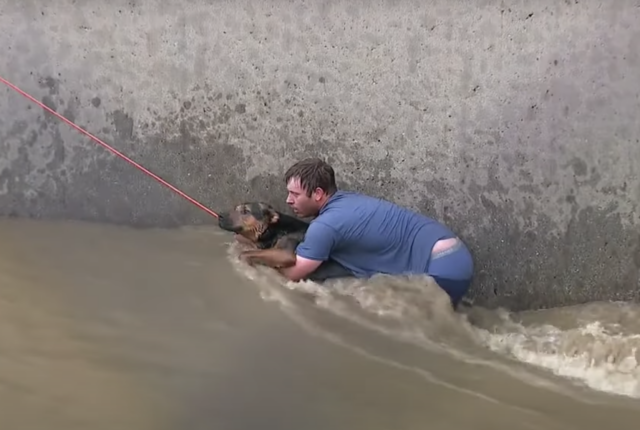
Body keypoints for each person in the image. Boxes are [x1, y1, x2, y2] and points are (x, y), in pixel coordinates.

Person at [276, 158, 474, 308]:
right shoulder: (348, 200)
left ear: (318, 194)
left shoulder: (324, 226)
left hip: (442, 267)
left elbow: (292, 275)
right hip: (454, 254)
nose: (288, 200)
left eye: (295, 194)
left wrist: (256, 268)